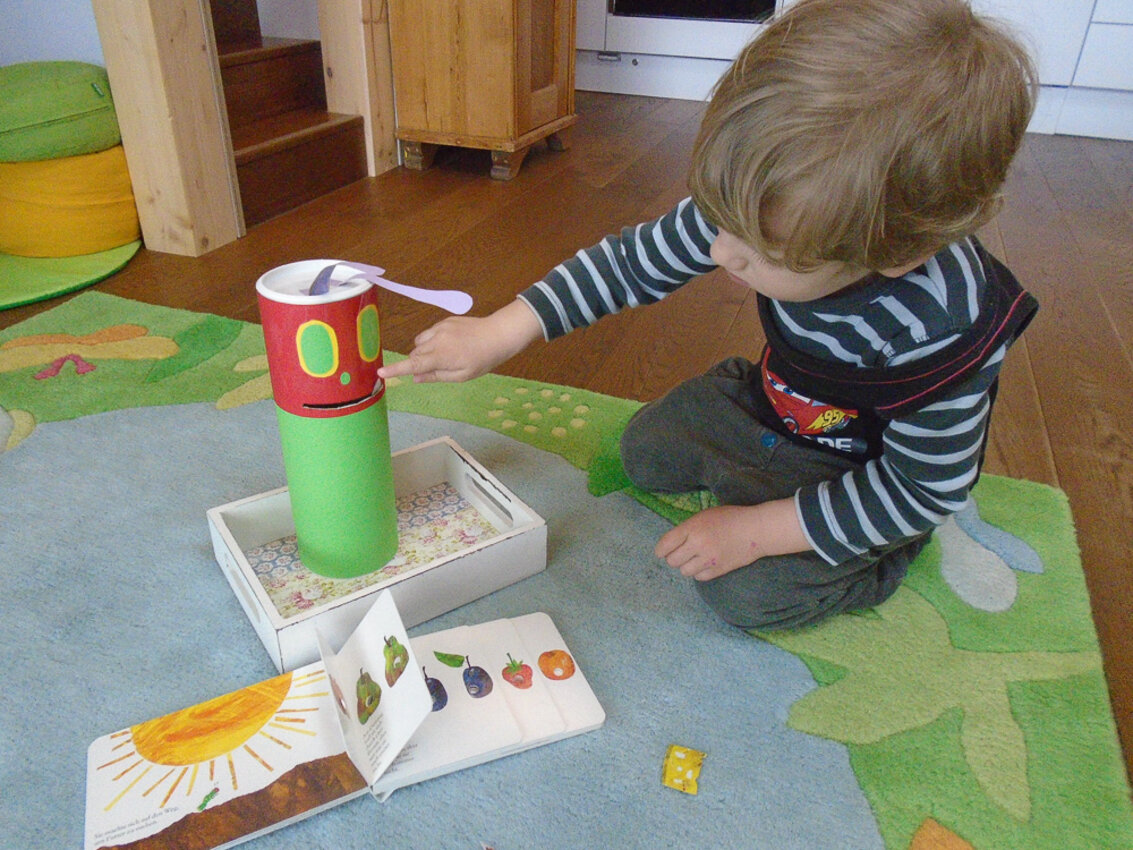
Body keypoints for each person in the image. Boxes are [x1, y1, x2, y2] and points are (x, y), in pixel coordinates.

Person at [378, 0, 1039, 630]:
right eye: (717, 217)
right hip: (775, 405)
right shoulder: (761, 206)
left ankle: (876, 561)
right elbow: (629, 264)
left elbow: (922, 490)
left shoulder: (941, 328)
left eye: (761, 251)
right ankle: (754, 445)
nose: (719, 251)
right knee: (643, 451)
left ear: (894, 253)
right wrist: (502, 331)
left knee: (744, 593)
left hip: (862, 473)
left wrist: (757, 532)